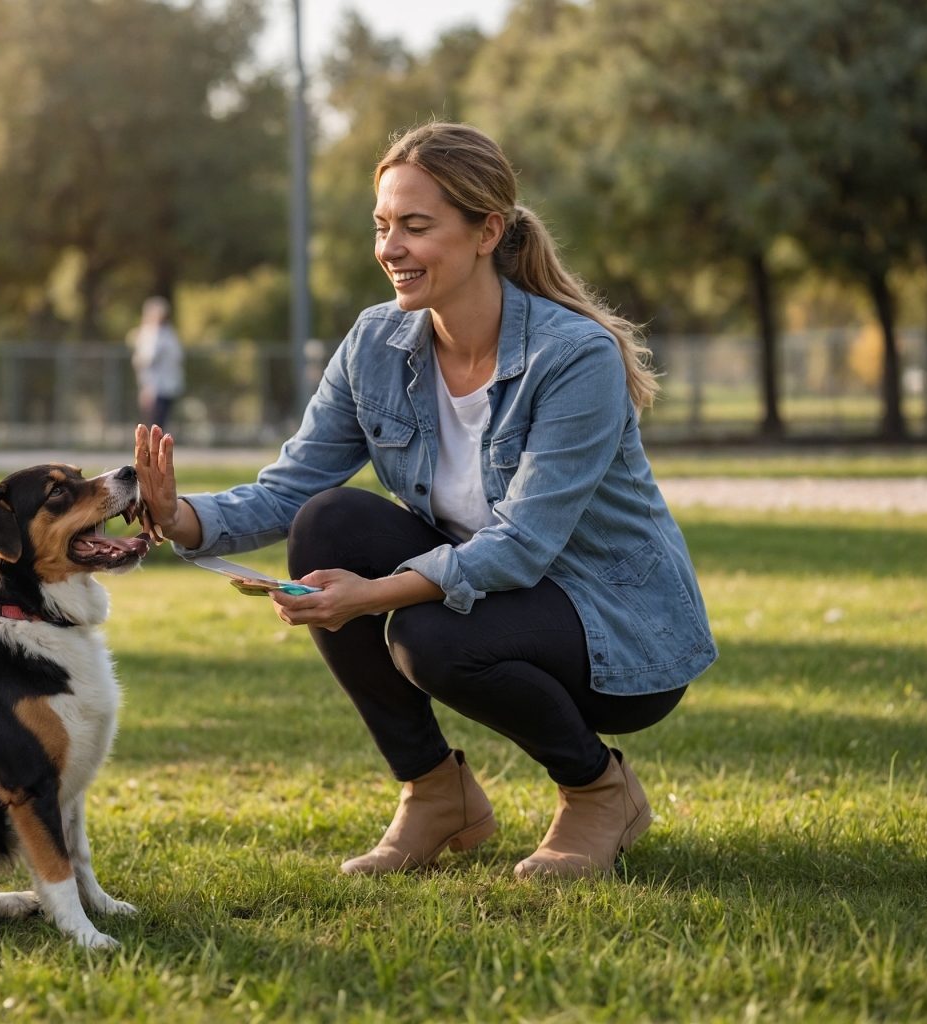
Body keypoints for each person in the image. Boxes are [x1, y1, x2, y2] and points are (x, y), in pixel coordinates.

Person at [134, 122, 716, 880]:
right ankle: (438, 794)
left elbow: (522, 544)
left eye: (415, 226)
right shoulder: (376, 343)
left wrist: (371, 595)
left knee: (428, 635)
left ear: (488, 232)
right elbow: (293, 485)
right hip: (497, 599)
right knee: (329, 522)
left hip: (616, 629)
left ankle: (599, 790)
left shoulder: (573, 357)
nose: (391, 248)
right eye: (382, 226)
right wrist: (180, 517)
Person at [129, 296, 184, 430]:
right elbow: (145, 360)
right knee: (153, 425)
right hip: (153, 387)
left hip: (166, 385)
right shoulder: (150, 333)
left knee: (159, 424)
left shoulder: (166, 333)